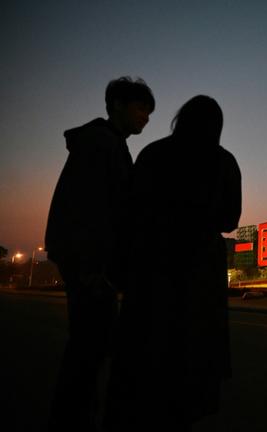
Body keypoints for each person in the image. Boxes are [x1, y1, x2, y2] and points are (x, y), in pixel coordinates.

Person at [104, 95, 241, 431]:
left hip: (153, 266)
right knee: (192, 356)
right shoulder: (224, 161)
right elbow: (230, 218)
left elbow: (129, 213)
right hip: (200, 271)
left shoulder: (153, 154)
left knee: (148, 352)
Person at [45, 77, 155, 431]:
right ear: (118, 105)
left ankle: (76, 414)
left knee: (90, 348)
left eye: (149, 112)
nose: (146, 118)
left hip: (94, 263)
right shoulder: (100, 144)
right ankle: (72, 419)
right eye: (141, 108)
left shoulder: (111, 144)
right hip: (90, 265)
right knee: (88, 349)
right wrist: (92, 267)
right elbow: (88, 209)